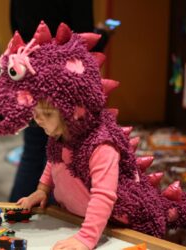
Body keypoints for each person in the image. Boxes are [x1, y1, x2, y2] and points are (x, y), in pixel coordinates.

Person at [9, 0, 110, 202]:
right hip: (63, 79)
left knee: (34, 150)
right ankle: (56, 213)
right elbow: (82, 38)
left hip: (29, 70)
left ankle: (15, 209)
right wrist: (103, 34)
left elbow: (15, 27)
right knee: (62, 152)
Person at [16, 98, 119, 250]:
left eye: (48, 114)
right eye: (36, 112)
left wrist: (86, 237)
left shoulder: (101, 146)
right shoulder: (59, 136)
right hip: (72, 219)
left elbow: (104, 195)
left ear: (71, 114)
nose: (37, 119)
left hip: (110, 227)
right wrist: (42, 190)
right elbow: (54, 161)